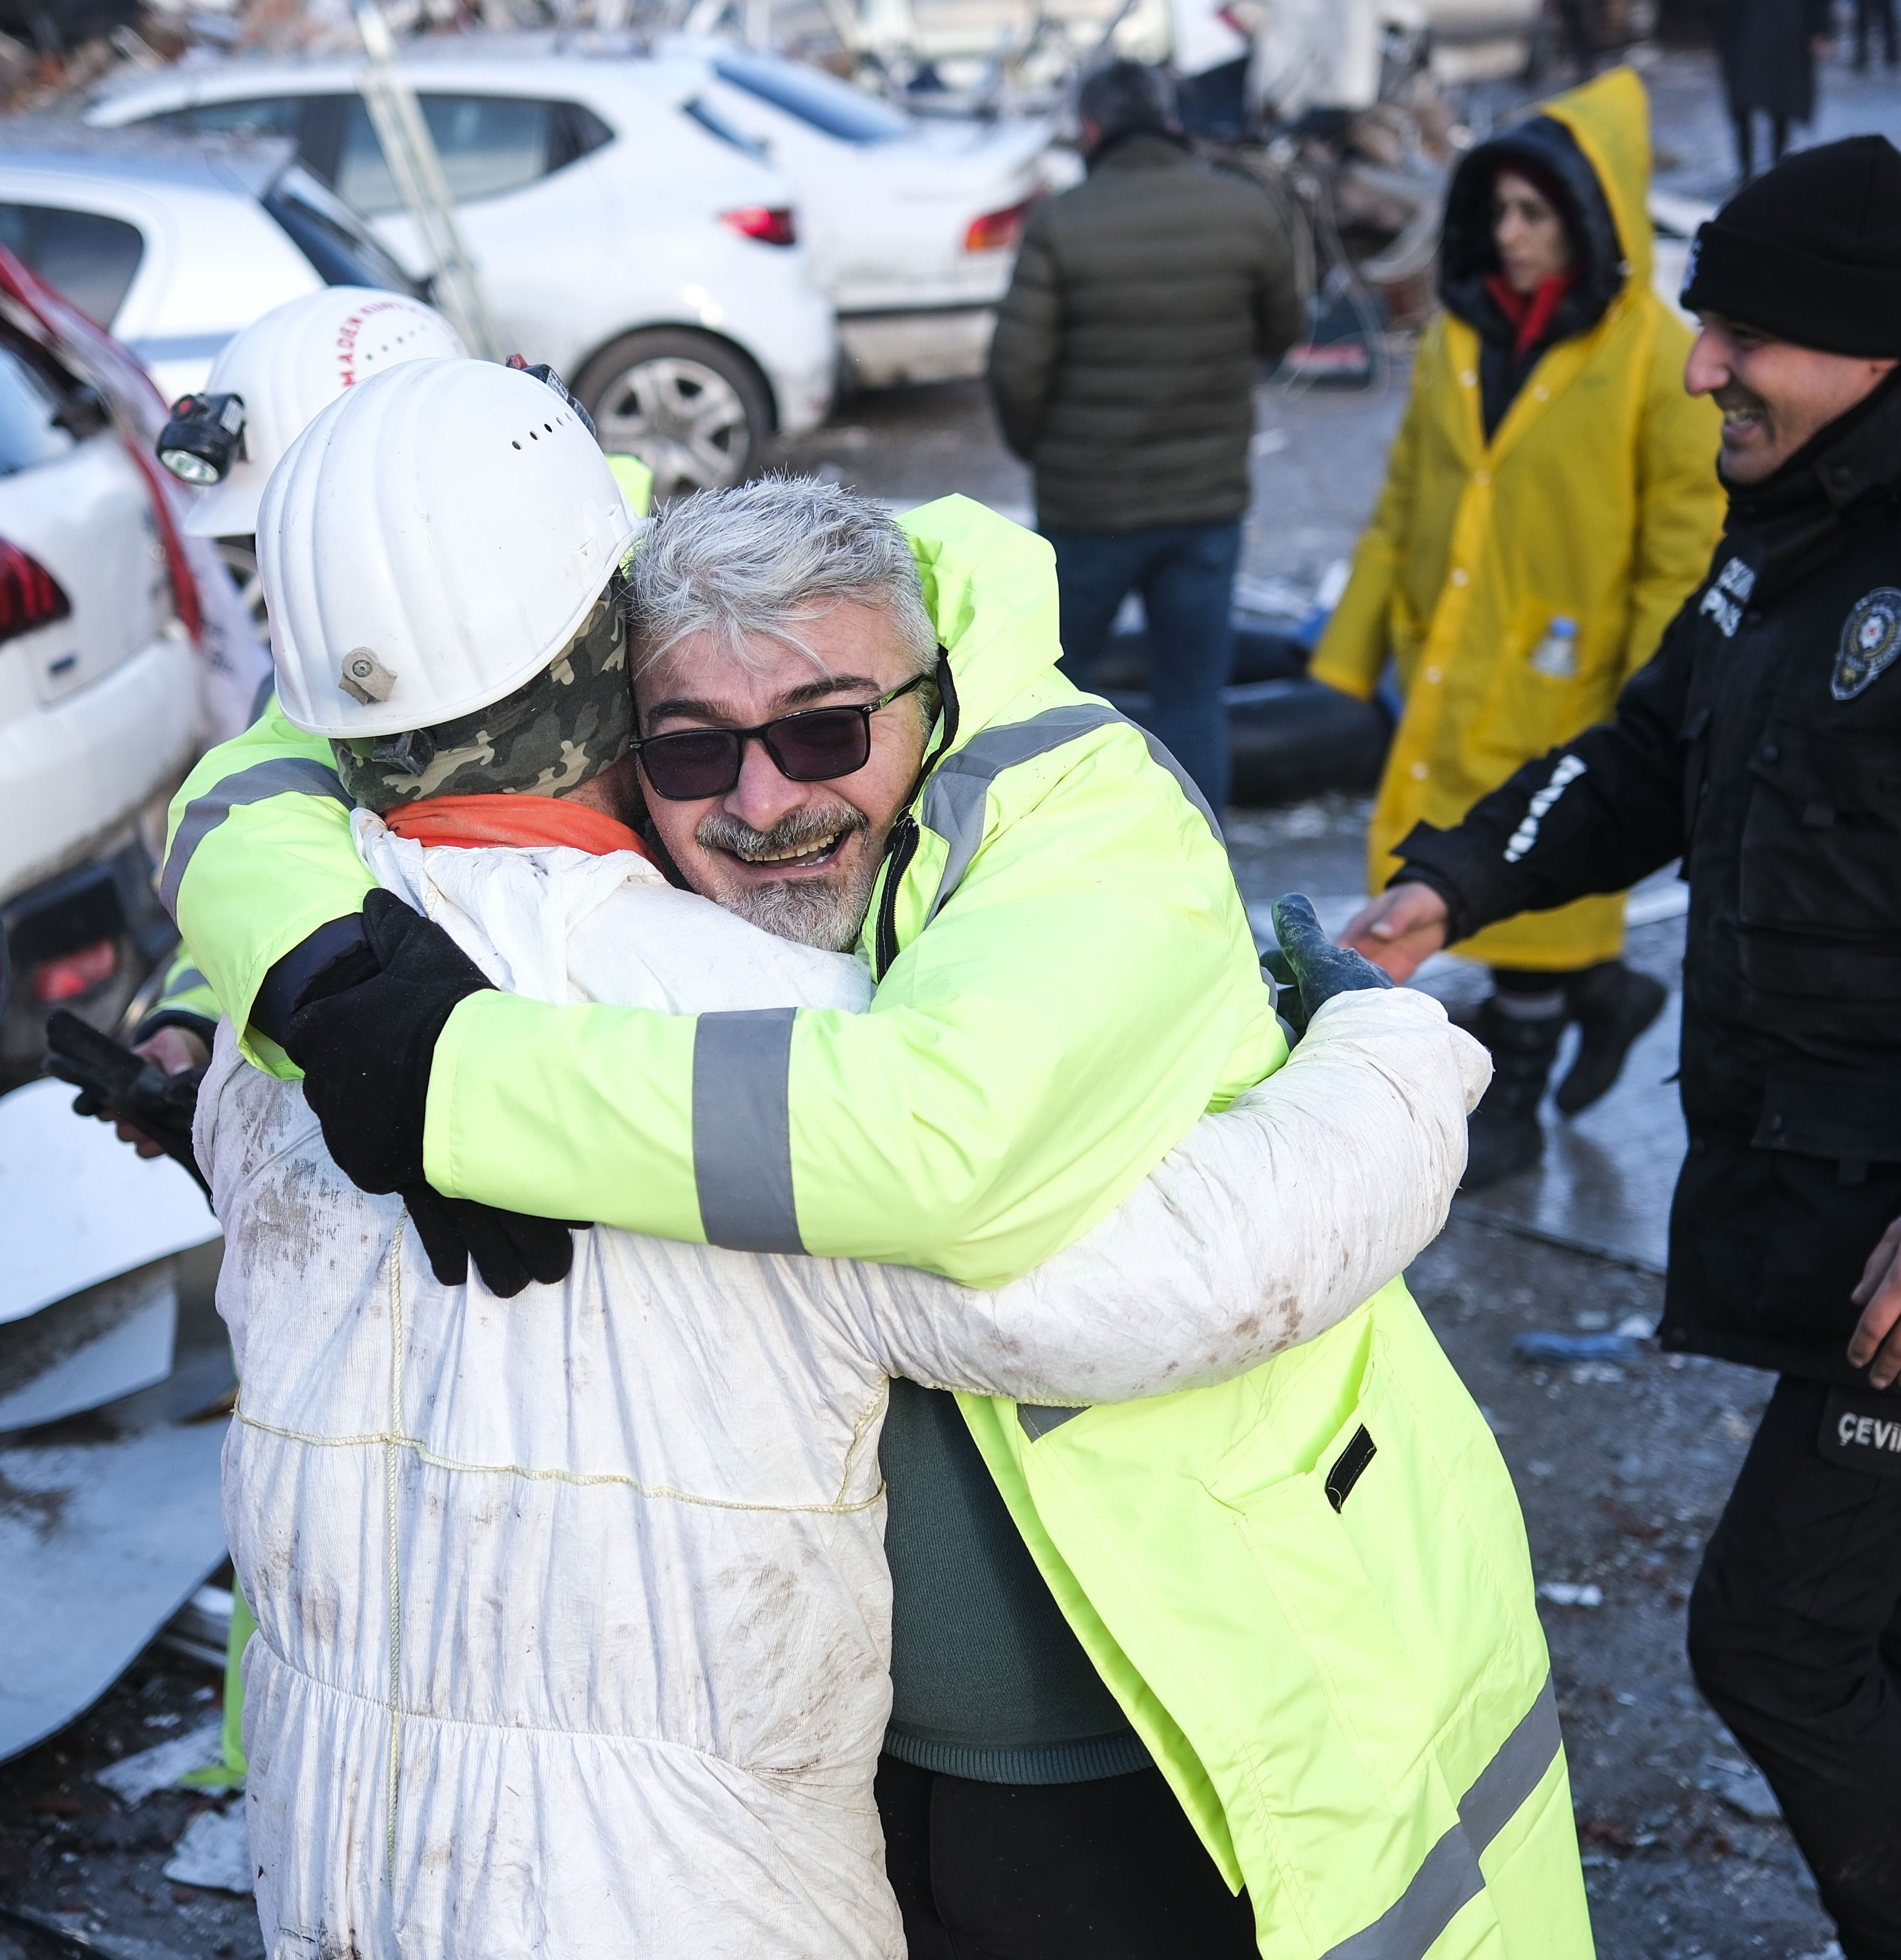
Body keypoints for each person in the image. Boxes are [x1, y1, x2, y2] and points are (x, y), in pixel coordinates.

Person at [160, 410, 1590, 1949]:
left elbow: (1057, 1209)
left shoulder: (1017, 888)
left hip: (1128, 1737)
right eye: (693, 748)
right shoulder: (427, 982)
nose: (765, 801)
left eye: (828, 730)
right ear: (605, 719)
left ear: (933, 703)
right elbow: (310, 730)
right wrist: (301, 985)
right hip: (825, 1797)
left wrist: (1393, 1063)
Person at [1338, 137, 1901, 1959]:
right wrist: (1451, 884)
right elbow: (1651, 748)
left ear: (1865, 349)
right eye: (1707, 323)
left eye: (1742, 337)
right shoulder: (1811, 506)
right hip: (1831, 1184)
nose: (1702, 367)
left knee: (1769, 1633)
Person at [1311, 69, 1723, 1186]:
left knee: (1531, 896)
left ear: (1591, 218)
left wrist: (1641, 698)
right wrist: (1349, 653)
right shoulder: (1462, 337)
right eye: (1496, 210)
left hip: (1568, 676)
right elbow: (1406, 497)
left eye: (1534, 213)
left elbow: (1678, 552)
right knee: (1467, 872)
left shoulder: (1651, 359)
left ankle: (1518, 1088)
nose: (1509, 234)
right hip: (1448, 657)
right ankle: (1607, 991)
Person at [983, 57, 1302, 811]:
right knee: (1193, 699)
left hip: (1089, 509)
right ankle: (1204, 864)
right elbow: (1283, 330)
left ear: (1091, 130)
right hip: (1206, 507)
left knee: (1055, 690)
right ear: (1171, 121)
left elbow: (1015, 372)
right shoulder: (1243, 209)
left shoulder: (1063, 222)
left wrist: (1047, 453)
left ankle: (1061, 843)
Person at [1719, 0, 1834, 181]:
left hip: (1782, 26)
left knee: (1780, 100)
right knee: (1746, 98)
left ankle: (1772, 168)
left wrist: (1821, 26)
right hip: (1747, 24)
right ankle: (1749, 170)